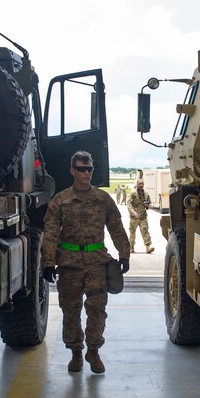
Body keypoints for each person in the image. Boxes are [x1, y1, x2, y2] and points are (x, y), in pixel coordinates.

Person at [41, 151, 130, 374]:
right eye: (82, 169)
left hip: (96, 262)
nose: (87, 173)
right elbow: (50, 233)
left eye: (89, 169)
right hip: (69, 264)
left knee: (97, 309)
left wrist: (124, 254)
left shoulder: (102, 199)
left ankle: (93, 350)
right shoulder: (61, 200)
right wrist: (48, 262)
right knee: (71, 311)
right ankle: (75, 353)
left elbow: (116, 227)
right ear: (72, 171)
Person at [127, 178, 155, 254]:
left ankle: (148, 247)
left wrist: (147, 205)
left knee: (145, 230)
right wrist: (133, 213)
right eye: (140, 184)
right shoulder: (133, 193)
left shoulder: (146, 193)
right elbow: (128, 204)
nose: (141, 185)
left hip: (143, 216)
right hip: (134, 217)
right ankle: (131, 247)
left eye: (142, 184)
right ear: (136, 184)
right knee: (132, 232)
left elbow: (149, 202)